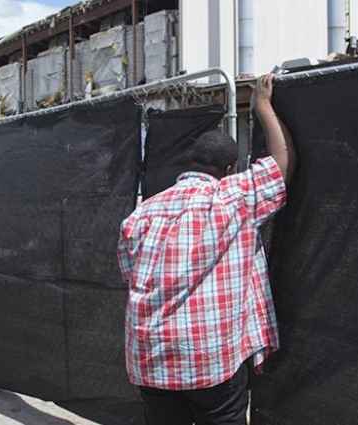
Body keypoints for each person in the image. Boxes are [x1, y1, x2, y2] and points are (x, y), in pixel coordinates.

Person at [117, 74, 295, 425]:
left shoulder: (141, 215)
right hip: (208, 358)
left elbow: (130, 274)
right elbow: (282, 163)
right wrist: (262, 105)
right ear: (228, 170)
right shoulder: (232, 198)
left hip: (150, 356)